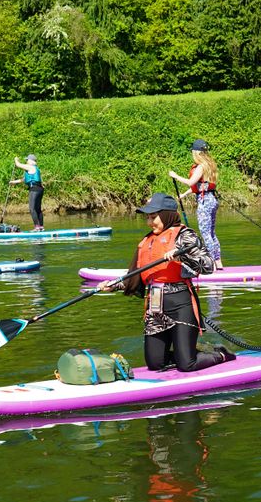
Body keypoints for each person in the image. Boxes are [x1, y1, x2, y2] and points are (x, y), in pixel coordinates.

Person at [100, 192, 235, 372]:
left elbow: (208, 266)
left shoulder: (184, 236)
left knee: (187, 365)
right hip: (154, 308)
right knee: (155, 364)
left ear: (167, 215)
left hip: (181, 305)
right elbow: (136, 277)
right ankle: (187, 353)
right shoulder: (146, 241)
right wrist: (113, 285)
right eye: (148, 217)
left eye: (153, 217)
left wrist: (182, 257)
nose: (149, 222)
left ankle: (220, 354)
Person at [168, 138, 223, 269]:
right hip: (212, 200)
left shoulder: (200, 167)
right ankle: (218, 262)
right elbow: (200, 186)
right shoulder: (210, 165)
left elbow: (191, 182)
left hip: (205, 202)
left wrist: (176, 176)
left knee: (205, 234)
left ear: (197, 153)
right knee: (211, 233)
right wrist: (184, 194)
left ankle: (211, 264)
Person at [11, 154, 44, 231]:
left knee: (32, 209)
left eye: (27, 160)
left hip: (34, 189)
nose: (26, 161)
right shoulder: (34, 169)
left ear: (31, 160)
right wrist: (13, 182)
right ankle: (41, 227)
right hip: (39, 189)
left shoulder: (31, 167)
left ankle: (37, 227)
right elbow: (24, 179)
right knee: (38, 209)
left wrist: (16, 159)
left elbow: (18, 165)